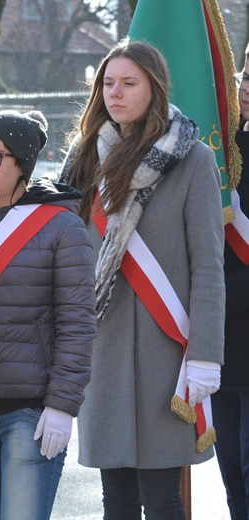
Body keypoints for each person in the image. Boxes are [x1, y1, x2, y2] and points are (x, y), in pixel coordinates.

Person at [59, 39, 225, 519]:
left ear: (155, 88)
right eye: (108, 83)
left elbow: (208, 267)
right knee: (117, 502)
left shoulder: (192, 158)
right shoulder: (86, 157)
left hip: (167, 355)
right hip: (104, 351)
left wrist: (205, 356)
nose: (115, 93)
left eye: (129, 83)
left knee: (164, 500)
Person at [0, 110, 96, 520]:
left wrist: (62, 406)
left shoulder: (63, 228)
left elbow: (77, 324)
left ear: (23, 164)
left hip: (29, 414)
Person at [213, 44, 249, 520]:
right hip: (221, 340)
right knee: (231, 480)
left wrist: (212, 301)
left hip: (226, 311)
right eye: (245, 76)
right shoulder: (222, 149)